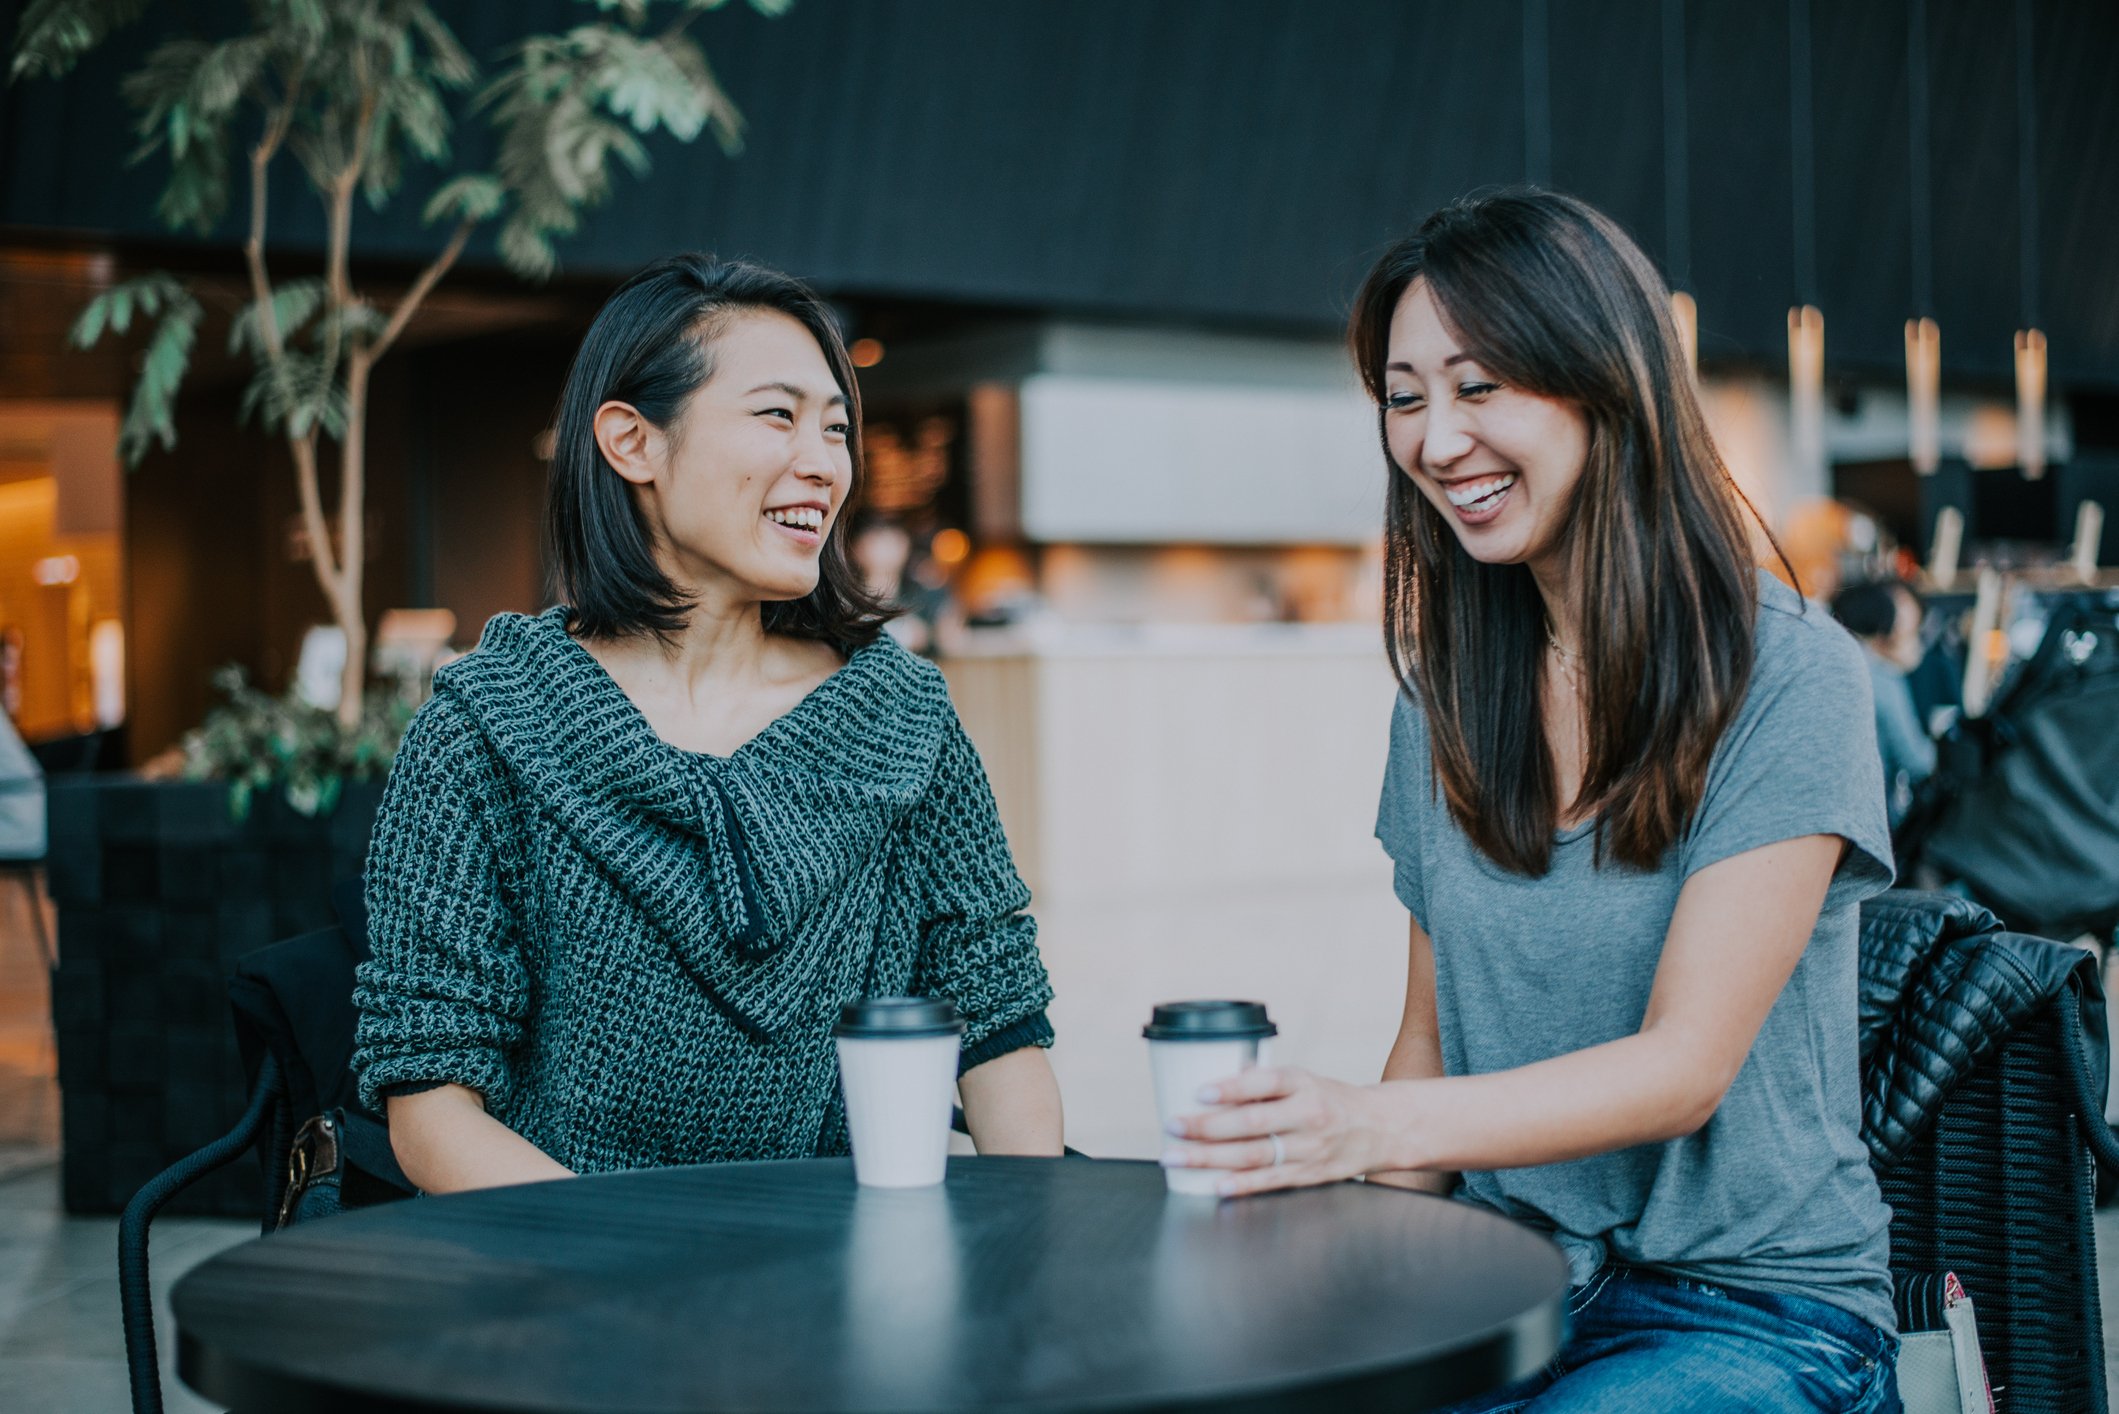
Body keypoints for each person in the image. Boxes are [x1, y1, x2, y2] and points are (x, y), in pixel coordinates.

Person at [1162, 192, 1900, 1411]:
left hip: (1760, 1309)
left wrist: (1364, 1130)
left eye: (1480, 384)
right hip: (1504, 1278)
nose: (1437, 439)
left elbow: (1683, 1067)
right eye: (1405, 398)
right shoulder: (1446, 694)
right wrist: (1322, 1266)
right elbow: (1428, 1042)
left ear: (1603, 381)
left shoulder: (1788, 673)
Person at [352, 255, 1063, 1192]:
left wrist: (1032, 1253)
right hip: (565, 1286)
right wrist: (634, 1288)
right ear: (631, 442)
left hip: (837, 1274)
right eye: (777, 415)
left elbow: (996, 1024)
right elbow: (432, 1108)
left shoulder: (901, 719)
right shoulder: (485, 728)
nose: (824, 463)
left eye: (836, 428)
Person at [1830, 578, 1937, 830]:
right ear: (1883, 631)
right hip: (1862, 818)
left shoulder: (1821, 662)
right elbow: (1917, 760)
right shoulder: (1882, 678)